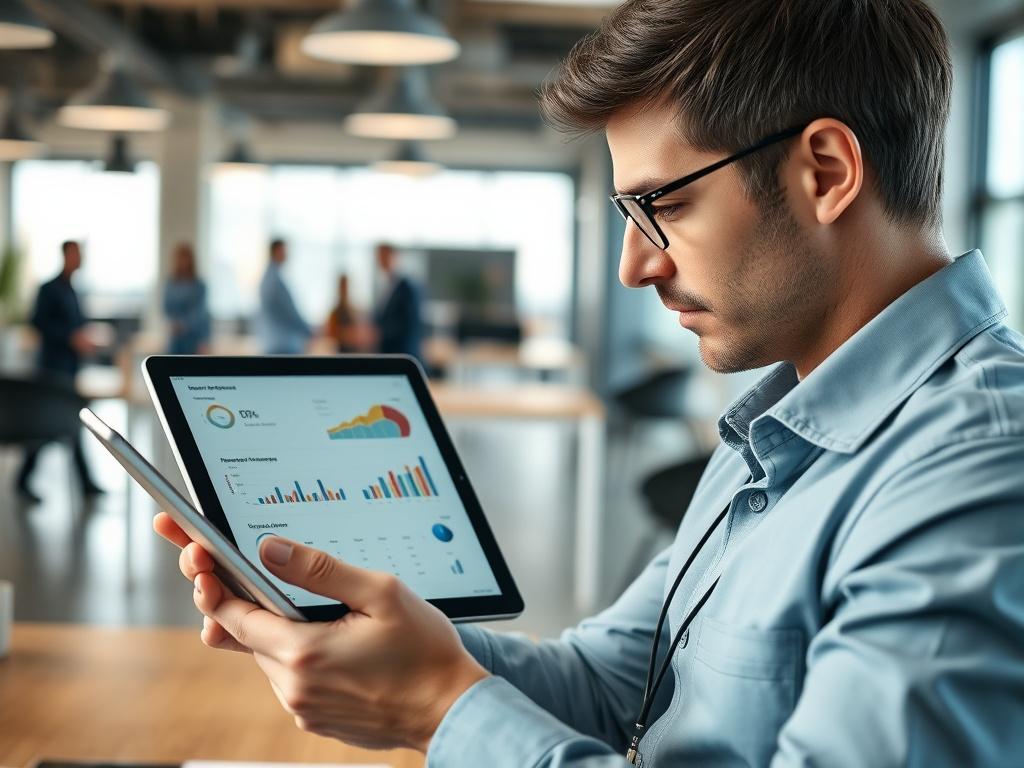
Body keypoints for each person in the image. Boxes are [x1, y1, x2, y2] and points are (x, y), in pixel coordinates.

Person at [154, 1, 1024, 765]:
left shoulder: (983, 465)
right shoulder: (774, 429)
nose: (634, 266)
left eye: (666, 206)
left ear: (825, 172)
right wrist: (381, 649)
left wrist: (434, 707)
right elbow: (615, 686)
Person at [16, 240, 103, 502]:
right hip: (51, 369)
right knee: (46, 425)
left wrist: (84, 339)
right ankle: (23, 480)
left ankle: (85, 482)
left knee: (69, 421)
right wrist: (70, 338)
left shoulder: (73, 290)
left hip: (70, 367)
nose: (80, 258)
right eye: (76, 254)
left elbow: (76, 325)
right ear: (66, 255)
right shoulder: (49, 288)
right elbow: (38, 322)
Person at [257, 239, 312, 355]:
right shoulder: (275, 282)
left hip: (272, 343)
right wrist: (310, 332)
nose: (287, 255)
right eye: (285, 250)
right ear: (277, 251)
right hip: (283, 346)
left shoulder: (267, 278)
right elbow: (290, 313)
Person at [371, 243, 423, 360]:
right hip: (386, 353)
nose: (381, 261)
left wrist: (380, 334)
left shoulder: (408, 287)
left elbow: (410, 324)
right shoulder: (385, 286)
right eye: (379, 257)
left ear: (394, 257)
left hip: (402, 355)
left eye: (384, 256)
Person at [163, 243, 211, 355]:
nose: (183, 261)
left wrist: (183, 324)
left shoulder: (199, 285)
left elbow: (200, 313)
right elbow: (166, 308)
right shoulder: (171, 284)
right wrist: (174, 324)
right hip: (175, 338)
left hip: (194, 337)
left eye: (186, 257)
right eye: (180, 258)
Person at [323, 274, 360, 354]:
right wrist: (346, 335)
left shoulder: (354, 311)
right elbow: (330, 333)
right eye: (343, 286)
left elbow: (358, 335)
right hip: (341, 354)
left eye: (346, 286)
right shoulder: (335, 312)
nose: (345, 289)